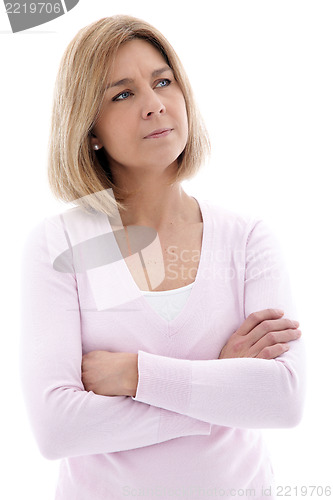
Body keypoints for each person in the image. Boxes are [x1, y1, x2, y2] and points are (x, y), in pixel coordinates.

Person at [20, 14, 306, 500]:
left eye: (163, 81)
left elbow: (282, 400)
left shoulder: (248, 238)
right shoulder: (61, 244)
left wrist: (136, 375)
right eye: (123, 94)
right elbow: (57, 430)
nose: (154, 105)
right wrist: (220, 385)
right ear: (90, 129)